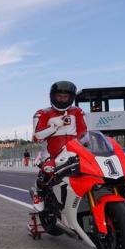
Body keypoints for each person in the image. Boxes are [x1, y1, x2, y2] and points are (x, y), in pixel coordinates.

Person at [32, 81, 87, 211]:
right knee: (47, 170)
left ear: (71, 98)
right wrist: (54, 126)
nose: (62, 99)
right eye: (59, 96)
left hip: (74, 151)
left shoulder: (77, 112)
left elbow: (84, 133)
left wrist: (83, 146)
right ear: (53, 96)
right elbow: (37, 137)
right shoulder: (42, 113)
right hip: (51, 154)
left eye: (65, 97)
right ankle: (38, 193)